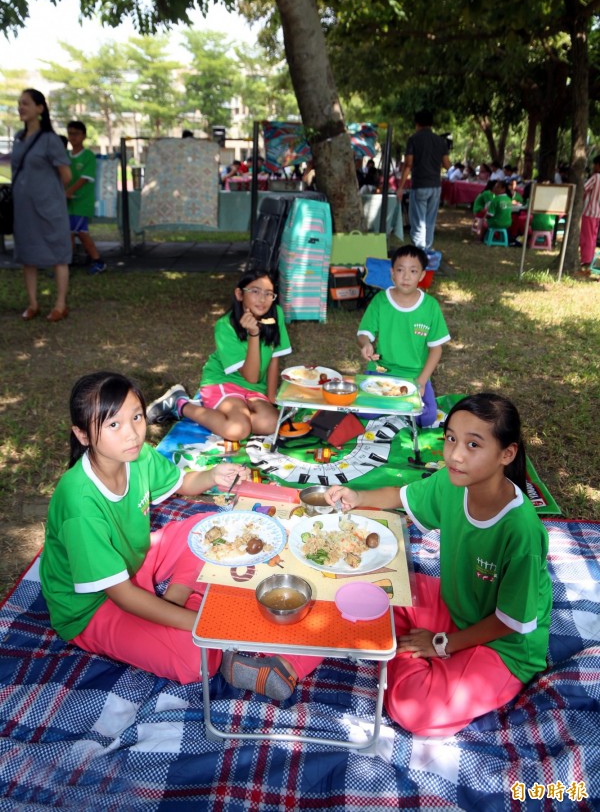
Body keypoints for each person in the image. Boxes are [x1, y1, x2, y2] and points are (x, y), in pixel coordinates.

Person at [40, 371, 317, 699]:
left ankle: (178, 601)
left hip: (136, 561)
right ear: (83, 435)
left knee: (205, 528)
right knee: (192, 660)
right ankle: (195, 617)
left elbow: (183, 484)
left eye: (137, 417)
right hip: (92, 606)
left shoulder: (136, 455)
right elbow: (123, 596)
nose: (131, 433)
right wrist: (201, 624)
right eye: (113, 424)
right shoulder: (79, 504)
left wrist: (214, 474)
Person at [324, 392, 552, 738]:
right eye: (450, 439)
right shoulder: (453, 482)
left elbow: (512, 621)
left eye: (473, 445)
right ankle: (407, 654)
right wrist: (357, 497)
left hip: (504, 646)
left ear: (507, 454)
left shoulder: (520, 530)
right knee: (376, 592)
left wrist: (441, 644)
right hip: (456, 607)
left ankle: (403, 657)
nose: (456, 455)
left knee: (414, 709)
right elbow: (401, 496)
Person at [146, 270, 292, 440]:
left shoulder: (276, 314)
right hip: (223, 382)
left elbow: (274, 357)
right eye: (255, 291)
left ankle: (217, 412)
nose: (262, 299)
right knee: (238, 430)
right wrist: (254, 334)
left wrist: (271, 399)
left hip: (254, 390)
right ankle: (180, 404)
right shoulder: (225, 326)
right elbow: (251, 376)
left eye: (269, 294)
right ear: (239, 294)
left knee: (272, 424)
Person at [357, 245, 450, 427]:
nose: (406, 277)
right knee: (364, 412)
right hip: (380, 372)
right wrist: (366, 344)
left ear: (422, 275)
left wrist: (422, 382)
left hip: (414, 376)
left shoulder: (430, 306)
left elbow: (436, 350)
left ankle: (393, 410)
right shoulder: (380, 301)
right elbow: (363, 334)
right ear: (392, 272)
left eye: (413, 271)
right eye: (400, 270)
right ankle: (392, 409)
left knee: (427, 417)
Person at [11, 88, 72, 322]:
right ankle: (33, 304)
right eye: (19, 104)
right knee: (28, 255)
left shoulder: (50, 140)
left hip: (48, 208)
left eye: (25, 103)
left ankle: (60, 304)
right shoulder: (18, 138)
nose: (21, 108)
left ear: (40, 108)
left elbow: (65, 175)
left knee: (58, 254)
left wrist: (47, 193)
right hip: (23, 209)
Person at [396, 110, 451, 252]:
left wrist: (400, 187)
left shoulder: (413, 139)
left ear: (417, 123)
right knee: (429, 221)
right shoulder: (440, 141)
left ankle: (419, 252)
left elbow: (408, 165)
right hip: (435, 186)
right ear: (431, 124)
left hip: (420, 185)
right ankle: (427, 250)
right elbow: (447, 165)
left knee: (418, 221)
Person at [66, 121, 106, 275]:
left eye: (76, 133)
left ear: (83, 136)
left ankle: (98, 261)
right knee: (68, 233)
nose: (73, 137)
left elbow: (84, 178)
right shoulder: (64, 155)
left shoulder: (88, 156)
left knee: (81, 233)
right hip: (67, 203)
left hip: (82, 201)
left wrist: (69, 191)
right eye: (70, 133)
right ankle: (67, 262)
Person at [578, 154, 600, 275]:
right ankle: (590, 261)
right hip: (597, 213)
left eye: (594, 164)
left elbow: (584, 188)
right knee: (593, 238)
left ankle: (586, 262)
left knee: (586, 238)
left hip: (588, 211)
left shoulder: (595, 177)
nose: (593, 167)